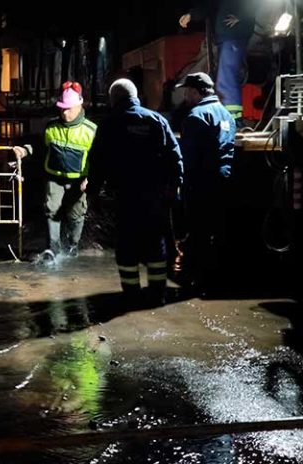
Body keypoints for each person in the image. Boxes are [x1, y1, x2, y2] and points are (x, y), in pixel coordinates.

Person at [86, 79, 184, 308]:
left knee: (126, 245)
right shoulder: (156, 120)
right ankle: (157, 294)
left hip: (124, 197)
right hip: (154, 196)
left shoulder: (109, 124)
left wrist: (93, 194)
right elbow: (174, 156)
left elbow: (97, 162)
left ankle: (131, 295)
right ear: (135, 96)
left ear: (113, 99)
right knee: (155, 243)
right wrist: (174, 186)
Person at [14, 81, 97, 263]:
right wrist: (25, 150)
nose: (64, 113)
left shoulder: (90, 131)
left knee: (76, 215)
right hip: (54, 177)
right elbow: (40, 147)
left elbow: (98, 159)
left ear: (79, 106)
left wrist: (90, 179)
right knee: (51, 211)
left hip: (78, 181)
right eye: (62, 108)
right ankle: (53, 249)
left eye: (68, 109)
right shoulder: (51, 126)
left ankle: (73, 245)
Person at [176, 72, 235, 291]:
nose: (185, 96)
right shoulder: (226, 115)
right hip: (223, 180)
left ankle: (195, 279)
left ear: (195, 92)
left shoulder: (196, 116)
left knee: (197, 231)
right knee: (216, 229)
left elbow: (188, 157)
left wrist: (181, 184)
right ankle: (216, 278)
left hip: (200, 183)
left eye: (187, 91)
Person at [179, 0, 259, 123]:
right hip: (227, 38)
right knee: (225, 78)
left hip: (233, 36)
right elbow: (209, 4)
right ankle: (232, 118)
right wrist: (191, 15)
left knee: (226, 79)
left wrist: (243, 18)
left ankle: (232, 119)